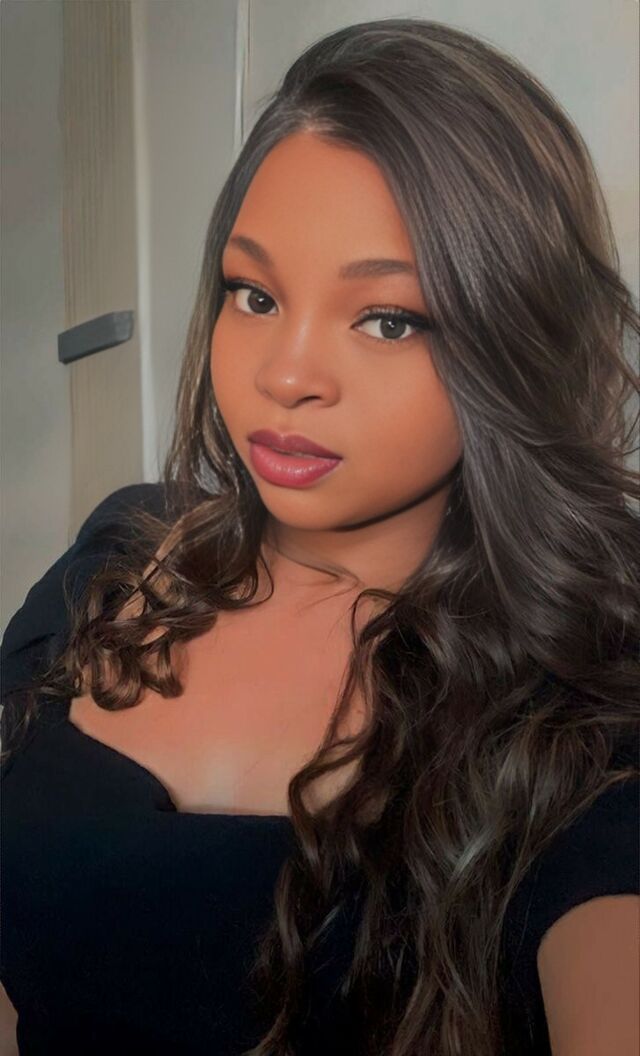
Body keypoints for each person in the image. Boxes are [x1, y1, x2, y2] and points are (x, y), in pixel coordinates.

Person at [1, 16, 638, 1056]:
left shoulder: (588, 691)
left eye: (387, 319)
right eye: (254, 295)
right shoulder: (116, 557)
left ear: (514, 336)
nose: (285, 373)